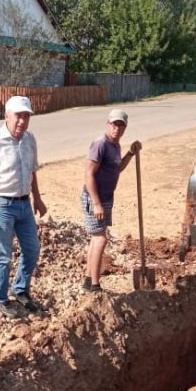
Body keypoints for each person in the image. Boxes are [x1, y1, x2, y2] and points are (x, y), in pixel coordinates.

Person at [0, 95, 47, 319]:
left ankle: (21, 290)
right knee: (3, 254)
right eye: (18, 116)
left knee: (32, 249)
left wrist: (37, 198)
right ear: (7, 116)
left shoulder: (29, 139)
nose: (22, 122)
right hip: (2, 204)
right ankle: (0, 298)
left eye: (26, 116)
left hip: (24, 204)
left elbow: (32, 171)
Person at [81, 109, 142, 292]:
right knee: (100, 239)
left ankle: (88, 279)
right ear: (108, 124)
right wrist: (97, 203)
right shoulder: (100, 144)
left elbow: (117, 168)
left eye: (121, 126)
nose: (117, 129)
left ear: (125, 128)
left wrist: (130, 154)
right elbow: (89, 174)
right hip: (95, 198)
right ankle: (94, 285)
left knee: (96, 238)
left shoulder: (115, 146)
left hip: (107, 198)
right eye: (114, 125)